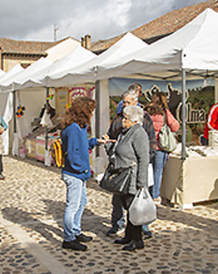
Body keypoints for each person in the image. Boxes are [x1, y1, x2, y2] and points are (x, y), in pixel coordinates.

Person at [106, 89, 156, 236]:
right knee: (120, 201)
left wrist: (142, 180)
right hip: (121, 170)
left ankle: (138, 233)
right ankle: (124, 231)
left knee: (134, 205)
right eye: (123, 101)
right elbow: (114, 138)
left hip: (133, 173)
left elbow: (145, 154)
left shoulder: (141, 126)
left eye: (127, 102)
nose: (122, 121)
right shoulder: (121, 123)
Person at [61, 97, 100, 251]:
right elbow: (72, 154)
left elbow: (82, 146)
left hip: (79, 174)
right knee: (72, 206)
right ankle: (69, 238)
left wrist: (95, 142)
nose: (92, 113)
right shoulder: (73, 129)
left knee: (81, 202)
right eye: (91, 110)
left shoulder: (80, 127)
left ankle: (75, 231)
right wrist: (83, 169)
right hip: (74, 174)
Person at [146, 91, 180, 201]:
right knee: (158, 171)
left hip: (147, 145)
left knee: (147, 170)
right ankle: (155, 195)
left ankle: (146, 193)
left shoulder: (146, 112)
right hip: (160, 146)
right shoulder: (164, 113)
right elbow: (175, 127)